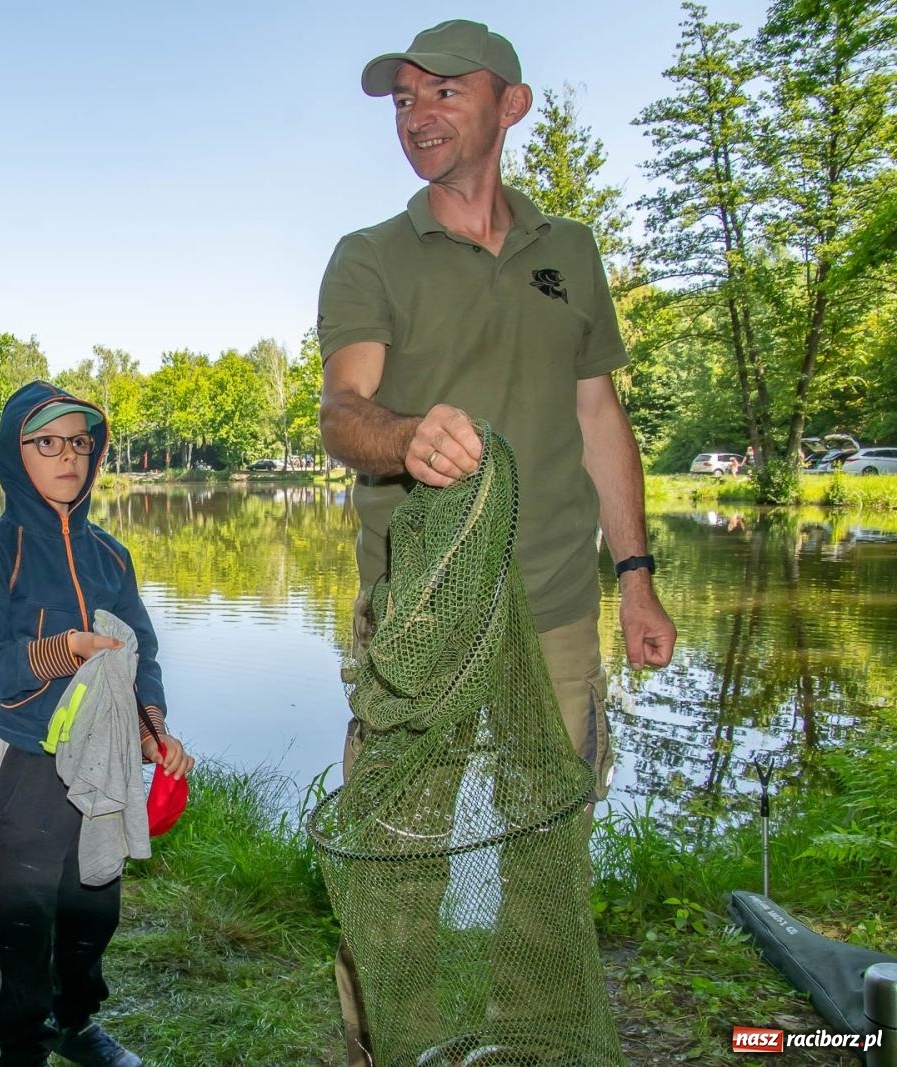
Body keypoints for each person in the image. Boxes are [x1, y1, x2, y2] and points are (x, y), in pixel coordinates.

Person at [315, 19, 677, 1065]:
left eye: (441, 94)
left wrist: (638, 577)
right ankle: (385, 1043)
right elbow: (344, 410)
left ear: (508, 105)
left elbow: (598, 416)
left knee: (543, 841)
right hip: (423, 615)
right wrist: (404, 436)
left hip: (560, 602)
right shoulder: (371, 255)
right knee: (396, 857)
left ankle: (526, 1038)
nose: (416, 116)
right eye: (401, 101)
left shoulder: (567, 250)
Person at [0, 380, 195, 1067]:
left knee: (96, 900)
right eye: (48, 442)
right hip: (28, 755)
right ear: (15, 453)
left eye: (81, 443)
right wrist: (65, 649)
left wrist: (155, 731)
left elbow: (138, 652)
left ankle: (75, 1020)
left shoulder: (112, 555)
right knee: (25, 914)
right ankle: (23, 1044)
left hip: (107, 759)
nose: (68, 456)